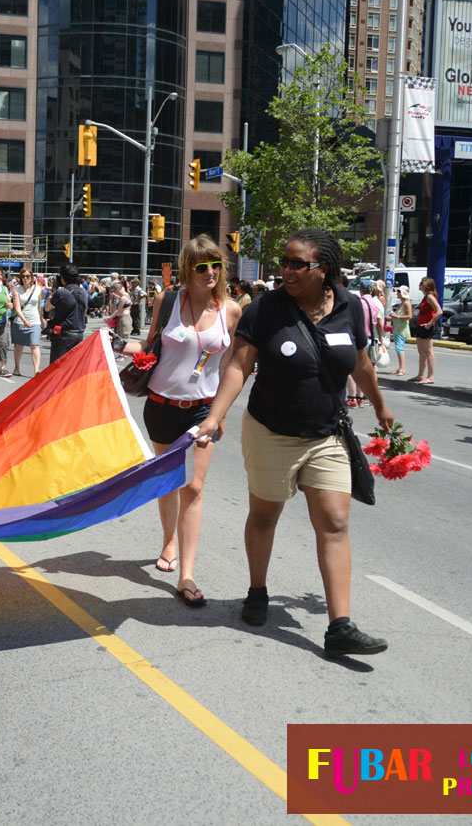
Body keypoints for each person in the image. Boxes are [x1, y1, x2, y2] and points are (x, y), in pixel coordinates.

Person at [194, 228, 393, 657]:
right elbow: (238, 366)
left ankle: (340, 625)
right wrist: (214, 415)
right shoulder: (266, 309)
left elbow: (360, 363)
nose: (286, 270)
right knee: (265, 516)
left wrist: (380, 406)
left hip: (327, 435)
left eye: (297, 264)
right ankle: (258, 591)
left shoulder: (349, 306)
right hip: (271, 433)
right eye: (284, 262)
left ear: (325, 270)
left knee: (336, 524)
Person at [120, 236, 241, 606]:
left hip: (203, 410)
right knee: (169, 482)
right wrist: (109, 343)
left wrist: (220, 413)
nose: (210, 273)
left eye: (215, 265)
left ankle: (187, 574)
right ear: (188, 269)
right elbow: (148, 343)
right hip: (160, 405)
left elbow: (231, 366)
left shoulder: (231, 311)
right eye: (201, 266)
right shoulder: (168, 300)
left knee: (194, 486)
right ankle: (168, 540)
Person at [347, 279, 384, 407]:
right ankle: (361, 397)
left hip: (357, 339)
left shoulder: (359, 303)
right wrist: (381, 336)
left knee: (351, 369)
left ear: (361, 290)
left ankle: (352, 397)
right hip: (369, 339)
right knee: (364, 369)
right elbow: (379, 323)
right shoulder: (375, 304)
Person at [44, 263, 88, 364]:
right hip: (79, 335)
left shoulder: (61, 293)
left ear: (63, 278)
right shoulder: (83, 292)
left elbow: (47, 308)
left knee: (57, 367)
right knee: (72, 367)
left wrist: (53, 292)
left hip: (64, 336)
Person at [10, 267, 44, 376]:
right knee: (19, 345)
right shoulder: (17, 290)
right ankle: (17, 368)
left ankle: (36, 370)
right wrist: (24, 320)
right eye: (23, 276)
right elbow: (17, 308)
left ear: (32, 277)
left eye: (27, 276)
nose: (25, 278)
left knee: (35, 345)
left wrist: (42, 319)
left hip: (35, 321)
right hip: (20, 321)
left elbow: (38, 307)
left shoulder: (38, 289)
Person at [410, 277, 442, 384]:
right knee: (421, 352)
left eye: (421, 283)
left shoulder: (430, 297)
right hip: (421, 325)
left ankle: (431, 376)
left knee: (428, 351)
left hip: (426, 326)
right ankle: (420, 375)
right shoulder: (425, 297)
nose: (419, 285)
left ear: (426, 286)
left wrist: (429, 323)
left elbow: (439, 311)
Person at [389, 285, 412, 376]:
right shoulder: (401, 303)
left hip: (402, 330)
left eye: (398, 292)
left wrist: (397, 316)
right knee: (398, 348)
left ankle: (402, 369)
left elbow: (409, 316)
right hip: (397, 329)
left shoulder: (406, 303)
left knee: (399, 348)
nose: (397, 293)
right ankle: (400, 368)